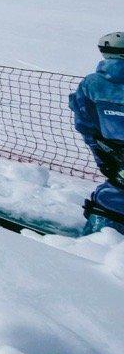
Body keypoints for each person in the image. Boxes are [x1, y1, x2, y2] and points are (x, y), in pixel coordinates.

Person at [70, 31, 124, 233]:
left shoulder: (91, 83)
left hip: (111, 156)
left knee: (112, 197)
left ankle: (97, 238)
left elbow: (83, 121)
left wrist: (101, 150)